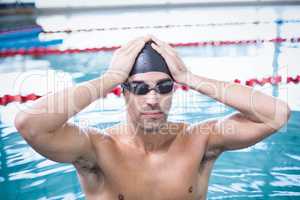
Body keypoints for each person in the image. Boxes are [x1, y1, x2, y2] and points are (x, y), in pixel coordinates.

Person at [15, 35, 291, 200]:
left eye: (164, 87)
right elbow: (30, 125)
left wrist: (188, 77)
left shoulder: (200, 141)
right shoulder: (97, 149)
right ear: (123, 93)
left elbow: (276, 115)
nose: (152, 99)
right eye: (139, 88)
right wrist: (109, 78)